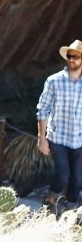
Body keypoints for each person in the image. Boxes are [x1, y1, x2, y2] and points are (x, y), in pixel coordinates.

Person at [37, 39, 82, 214]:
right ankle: (49, 203)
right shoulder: (53, 81)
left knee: (77, 180)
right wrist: (42, 139)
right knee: (63, 176)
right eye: (69, 56)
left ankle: (70, 211)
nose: (71, 59)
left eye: (76, 57)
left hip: (80, 139)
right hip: (58, 138)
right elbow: (42, 109)